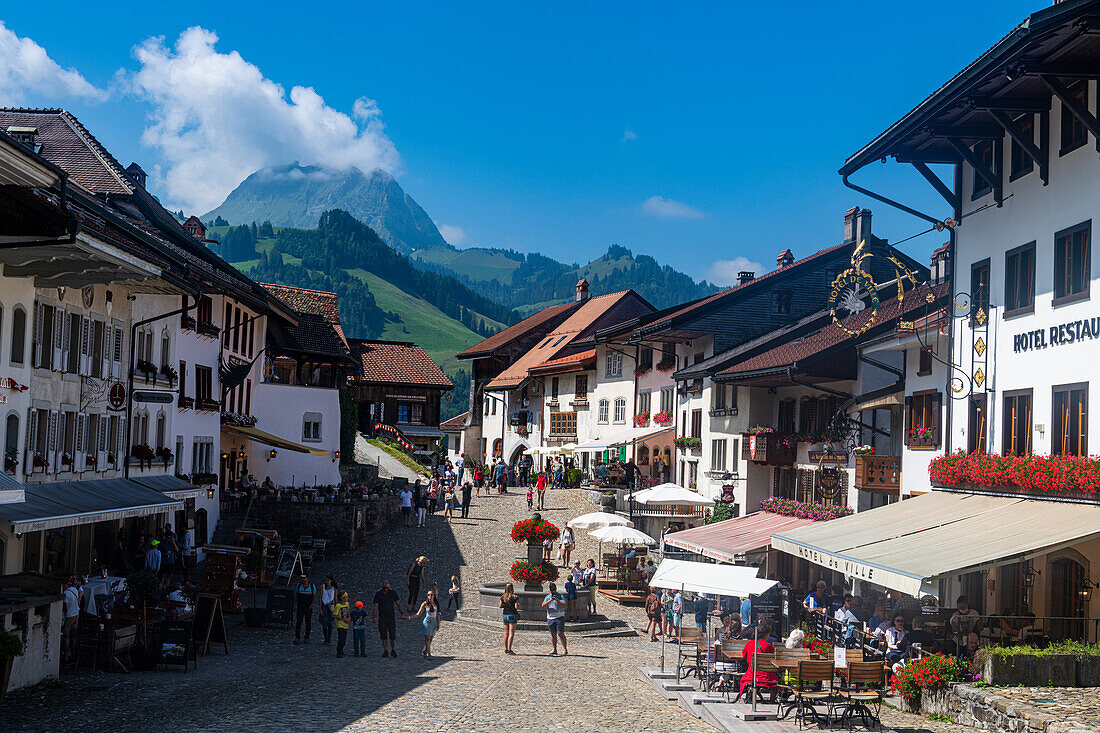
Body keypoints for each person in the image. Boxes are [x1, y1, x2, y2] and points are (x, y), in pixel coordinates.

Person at [740, 621, 778, 699]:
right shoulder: (768, 646)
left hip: (752, 674)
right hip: (767, 676)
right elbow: (773, 660)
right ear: (767, 634)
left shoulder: (750, 643)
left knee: (755, 682)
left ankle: (750, 696)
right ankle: (772, 700)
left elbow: (744, 655)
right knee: (777, 681)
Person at [373, 579, 406, 657]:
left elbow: (398, 603)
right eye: (385, 583)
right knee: (383, 634)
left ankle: (393, 649)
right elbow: (375, 606)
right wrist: (374, 617)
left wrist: (402, 613)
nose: (386, 584)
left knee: (392, 634)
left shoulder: (392, 593)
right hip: (382, 617)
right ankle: (385, 650)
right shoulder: (378, 594)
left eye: (387, 583)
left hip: (391, 617)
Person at [412, 589, 440, 658]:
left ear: (434, 595)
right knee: (427, 638)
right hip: (427, 622)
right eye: (428, 595)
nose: (430, 596)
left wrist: (438, 624)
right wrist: (409, 617)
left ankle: (425, 650)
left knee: (430, 639)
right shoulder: (425, 604)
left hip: (433, 622)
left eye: (431, 594)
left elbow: (438, 614)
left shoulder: (436, 604)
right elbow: (418, 613)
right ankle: (429, 654)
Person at [542, 582, 568, 655]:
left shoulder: (560, 596)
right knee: (553, 634)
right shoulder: (547, 597)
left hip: (559, 617)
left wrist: (557, 600)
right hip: (550, 618)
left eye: (553, 589)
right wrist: (550, 600)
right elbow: (543, 605)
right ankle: (554, 649)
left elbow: (564, 605)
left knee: (560, 633)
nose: (552, 591)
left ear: (556, 589)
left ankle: (565, 649)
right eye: (551, 590)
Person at [293, 573, 317, 644]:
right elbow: (296, 596)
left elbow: (314, 597)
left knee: (308, 622)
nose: (302, 579)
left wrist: (311, 606)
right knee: (298, 622)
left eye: (304, 578)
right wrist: (294, 606)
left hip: (308, 607)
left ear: (307, 578)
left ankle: (306, 637)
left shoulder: (312, 586)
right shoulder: (299, 585)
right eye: (301, 578)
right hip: (300, 606)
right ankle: (297, 637)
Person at [62, 578, 81, 661]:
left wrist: (64, 619)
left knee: (66, 636)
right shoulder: (74, 590)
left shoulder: (66, 593)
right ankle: (73, 654)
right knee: (74, 635)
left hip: (69, 616)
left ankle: (66, 655)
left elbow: (66, 608)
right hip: (76, 614)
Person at [500, 582, 519, 654]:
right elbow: (516, 607)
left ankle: (506, 648)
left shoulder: (503, 597)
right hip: (512, 615)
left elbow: (500, 606)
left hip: (505, 615)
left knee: (506, 633)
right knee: (511, 633)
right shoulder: (515, 597)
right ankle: (509, 649)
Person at [319, 576, 337, 645]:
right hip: (324, 605)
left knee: (330, 624)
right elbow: (320, 598)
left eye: (328, 580)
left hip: (331, 606)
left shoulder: (334, 588)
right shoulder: (322, 587)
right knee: (324, 623)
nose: (326, 582)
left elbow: (335, 599)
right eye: (326, 580)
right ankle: (326, 638)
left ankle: (328, 639)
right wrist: (320, 608)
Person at [334, 591, 351, 658]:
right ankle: (339, 651)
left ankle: (341, 650)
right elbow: (335, 615)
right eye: (346, 597)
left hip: (345, 624)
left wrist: (349, 618)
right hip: (340, 624)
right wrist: (344, 619)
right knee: (341, 638)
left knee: (344, 639)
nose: (347, 598)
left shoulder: (347, 604)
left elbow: (348, 611)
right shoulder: (338, 606)